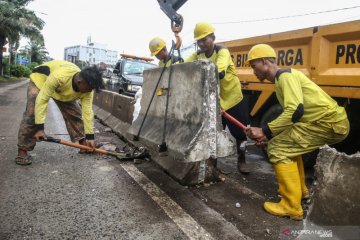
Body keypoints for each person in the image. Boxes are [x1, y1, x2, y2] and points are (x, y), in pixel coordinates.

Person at [245, 44, 349, 220]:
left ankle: (291, 206)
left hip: (327, 122)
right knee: (287, 146)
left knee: (278, 150)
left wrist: (265, 131)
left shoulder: (284, 76)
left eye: (254, 66)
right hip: (327, 121)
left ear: (264, 62)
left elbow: (295, 111)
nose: (253, 71)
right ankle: (301, 192)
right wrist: (269, 136)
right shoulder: (283, 78)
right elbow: (294, 116)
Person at [185, 22, 250, 174]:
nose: (201, 43)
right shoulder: (198, 54)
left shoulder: (222, 52)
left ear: (213, 38)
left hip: (233, 99)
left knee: (240, 132)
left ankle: (242, 159)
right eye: (199, 41)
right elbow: (184, 64)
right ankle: (212, 164)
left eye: (204, 39)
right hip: (215, 101)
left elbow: (218, 72)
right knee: (212, 132)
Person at [15, 60, 104, 165]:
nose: (89, 92)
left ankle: (84, 144)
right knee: (32, 113)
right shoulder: (59, 77)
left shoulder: (87, 88)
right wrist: (40, 128)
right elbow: (42, 100)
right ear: (79, 82)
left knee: (75, 113)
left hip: (62, 90)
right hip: (40, 80)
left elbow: (88, 112)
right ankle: (22, 150)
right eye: (89, 89)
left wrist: (90, 137)